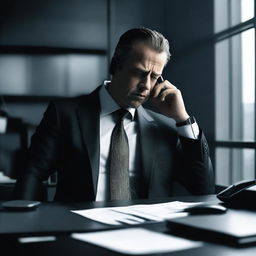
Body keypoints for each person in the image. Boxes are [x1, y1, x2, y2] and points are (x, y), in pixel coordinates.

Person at [14, 27, 214, 202]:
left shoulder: (165, 128)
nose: (146, 85)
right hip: (79, 231)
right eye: (139, 73)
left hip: (146, 234)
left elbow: (203, 188)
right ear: (116, 64)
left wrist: (183, 120)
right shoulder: (65, 114)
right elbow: (32, 173)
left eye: (154, 77)